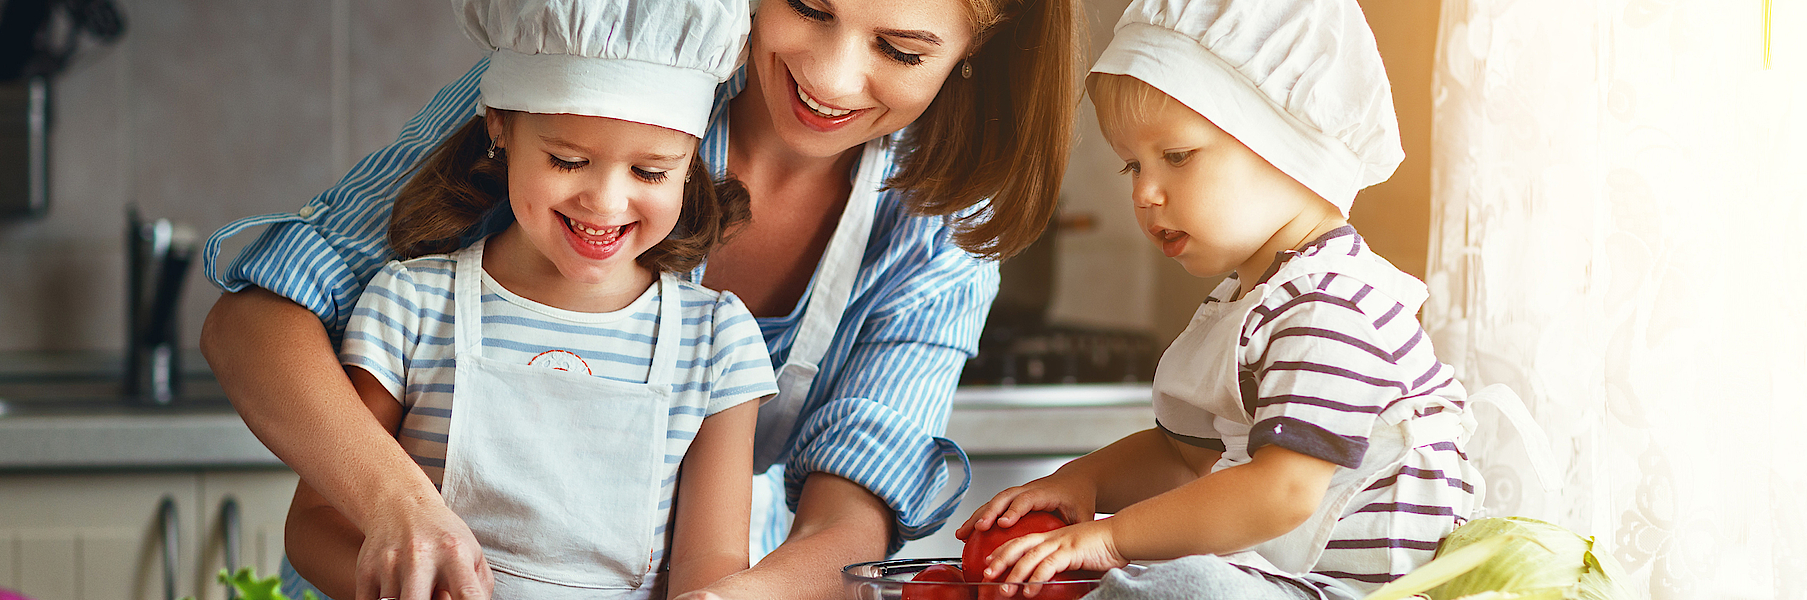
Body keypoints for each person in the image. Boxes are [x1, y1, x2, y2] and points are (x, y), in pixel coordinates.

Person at [196, 0, 1081, 598]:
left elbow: (853, 507)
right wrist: (402, 510)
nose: (832, 76)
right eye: (809, 3)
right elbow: (259, 320)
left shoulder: (941, 219)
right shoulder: (604, 66)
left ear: (974, 55)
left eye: (901, 48)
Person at [954, 1, 1482, 599]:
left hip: (1355, 593)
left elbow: (1281, 491)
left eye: (1176, 157)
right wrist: (1084, 483)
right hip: (1289, 583)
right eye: (1132, 165)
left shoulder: (1331, 309)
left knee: (1174, 585)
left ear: (1287, 144)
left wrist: (1111, 539)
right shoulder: (1255, 301)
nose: (1145, 194)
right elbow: (1185, 460)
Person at [276, 1, 776, 598]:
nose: (606, 202)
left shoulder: (715, 341)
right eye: (568, 160)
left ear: (690, 163)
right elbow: (314, 527)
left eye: (650, 173)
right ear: (500, 126)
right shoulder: (412, 305)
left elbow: (712, 564)